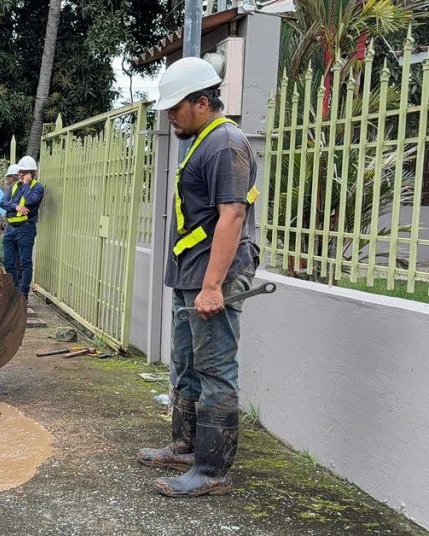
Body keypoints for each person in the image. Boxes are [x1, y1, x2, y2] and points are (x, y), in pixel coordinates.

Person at [136, 57, 261, 498]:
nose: (170, 116)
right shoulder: (203, 141)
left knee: (215, 370)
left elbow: (232, 216)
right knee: (187, 365)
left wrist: (212, 286)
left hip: (214, 278)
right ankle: (185, 448)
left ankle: (212, 472)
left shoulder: (226, 144)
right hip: (192, 275)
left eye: (176, 108)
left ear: (202, 102)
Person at [0, 155, 44, 300]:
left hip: (26, 228)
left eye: (24, 173)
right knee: (8, 262)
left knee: (25, 262)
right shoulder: (13, 187)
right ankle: (15, 288)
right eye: (20, 173)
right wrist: (17, 206)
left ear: (31, 173)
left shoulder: (37, 187)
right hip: (10, 228)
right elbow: (3, 202)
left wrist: (26, 184)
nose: (20, 175)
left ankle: (22, 294)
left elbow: (31, 200)